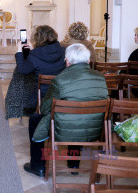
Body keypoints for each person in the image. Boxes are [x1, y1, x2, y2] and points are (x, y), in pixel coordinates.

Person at [24, 44, 109, 178]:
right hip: (95, 131)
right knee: (78, 114)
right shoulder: (100, 78)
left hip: (64, 130)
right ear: (88, 61)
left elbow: (45, 109)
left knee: (36, 119)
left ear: (68, 62)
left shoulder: (60, 79)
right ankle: (74, 164)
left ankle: (38, 166)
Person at [14, 25, 66, 115]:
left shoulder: (34, 55)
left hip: (41, 95)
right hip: (61, 92)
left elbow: (22, 70)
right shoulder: (64, 51)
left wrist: (19, 51)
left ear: (37, 38)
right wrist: (33, 50)